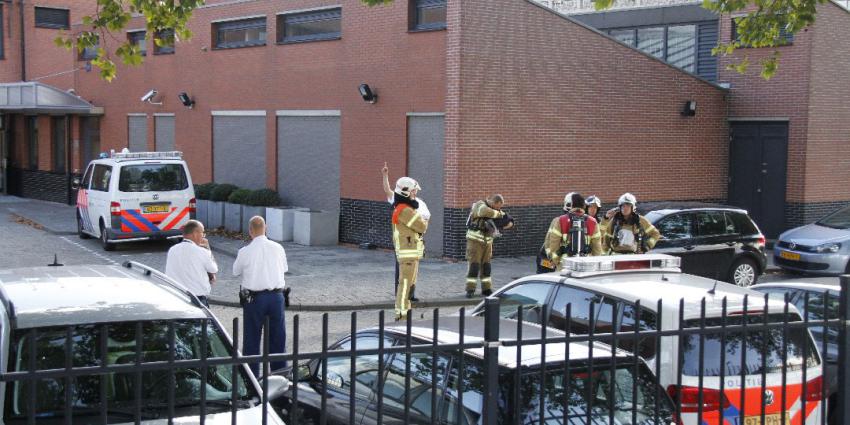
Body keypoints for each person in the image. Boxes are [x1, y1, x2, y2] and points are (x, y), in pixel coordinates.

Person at [233, 216, 288, 376]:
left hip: (254, 299)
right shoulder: (278, 247)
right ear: (266, 228)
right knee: (278, 339)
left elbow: (235, 271)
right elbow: (284, 268)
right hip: (277, 297)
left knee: (252, 340)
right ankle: (280, 375)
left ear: (250, 231)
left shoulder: (244, 251)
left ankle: (253, 379)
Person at [382, 163, 430, 302]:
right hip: (405, 243)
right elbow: (387, 190)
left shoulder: (419, 203)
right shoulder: (400, 204)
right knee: (403, 269)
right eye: (413, 191)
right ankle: (402, 297)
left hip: (415, 241)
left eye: (415, 191)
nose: (415, 193)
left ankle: (410, 296)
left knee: (412, 272)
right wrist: (385, 175)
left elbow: (426, 220)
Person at [391, 177, 428, 321]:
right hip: (408, 256)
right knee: (405, 285)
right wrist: (424, 218)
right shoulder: (405, 210)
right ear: (405, 193)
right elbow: (422, 226)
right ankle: (402, 316)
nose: (415, 195)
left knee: (408, 285)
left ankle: (404, 313)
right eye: (413, 192)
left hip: (410, 256)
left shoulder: (402, 208)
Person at [537, 193, 602, 273]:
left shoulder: (560, 220)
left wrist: (556, 262)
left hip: (564, 266)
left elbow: (552, 243)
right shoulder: (593, 222)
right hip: (585, 266)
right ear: (584, 206)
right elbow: (597, 249)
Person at [465, 194, 513, 298]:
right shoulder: (480, 205)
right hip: (475, 241)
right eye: (498, 206)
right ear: (493, 202)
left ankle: (486, 289)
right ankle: (470, 289)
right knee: (474, 265)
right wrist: (500, 214)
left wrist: (509, 222)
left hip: (487, 242)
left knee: (486, 266)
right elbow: (484, 212)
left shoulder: (493, 210)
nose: (499, 209)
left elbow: (508, 218)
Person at [165, 220, 218, 306]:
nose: (203, 236)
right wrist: (208, 248)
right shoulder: (202, 251)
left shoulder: (172, 250)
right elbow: (214, 269)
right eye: (202, 233)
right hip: (197, 298)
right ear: (195, 233)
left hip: (176, 296)